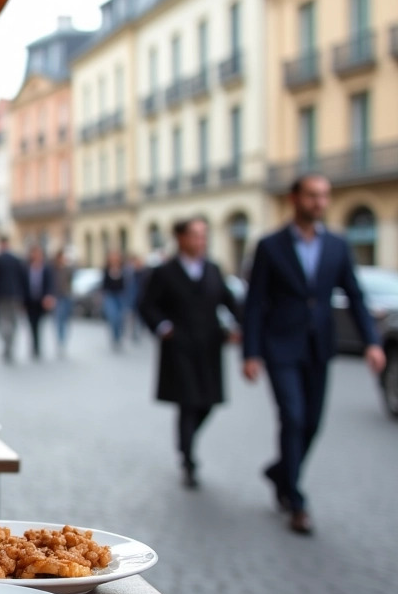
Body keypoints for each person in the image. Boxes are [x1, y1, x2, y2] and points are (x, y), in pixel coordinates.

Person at [242, 174, 386, 535]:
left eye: (324, 196)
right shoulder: (270, 246)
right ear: (295, 198)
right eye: (312, 195)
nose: (320, 202)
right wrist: (251, 352)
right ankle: (295, 500)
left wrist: (371, 341)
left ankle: (279, 472)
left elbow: (354, 295)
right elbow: (255, 303)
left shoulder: (337, 245)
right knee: (292, 417)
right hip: (280, 346)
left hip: (320, 347)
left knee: (312, 424)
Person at [137, 217, 241, 488]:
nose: (200, 241)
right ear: (181, 238)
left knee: (207, 402)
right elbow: (147, 305)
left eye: (204, 236)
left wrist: (240, 327)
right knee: (188, 402)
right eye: (195, 235)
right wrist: (163, 327)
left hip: (209, 346)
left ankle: (187, 442)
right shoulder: (165, 271)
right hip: (179, 347)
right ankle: (188, 458)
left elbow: (229, 302)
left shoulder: (213, 269)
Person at [0, 237, 25, 362]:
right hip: (15, 295)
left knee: (2, 322)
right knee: (13, 322)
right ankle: (10, 344)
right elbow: (23, 277)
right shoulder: (16, 259)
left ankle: (7, 344)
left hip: (2, 295)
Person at [22, 245, 55, 360]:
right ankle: (34, 346)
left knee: (39, 324)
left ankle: (38, 346)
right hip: (30, 301)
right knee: (31, 324)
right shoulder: (26, 268)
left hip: (42, 301)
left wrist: (49, 296)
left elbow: (50, 284)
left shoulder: (46, 268)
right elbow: (23, 285)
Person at [101, 249, 129, 350]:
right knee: (113, 317)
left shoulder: (124, 269)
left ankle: (119, 336)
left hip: (120, 296)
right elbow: (103, 285)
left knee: (120, 318)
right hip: (110, 296)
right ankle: (114, 337)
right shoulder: (106, 269)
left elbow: (127, 284)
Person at [52, 248, 74, 356]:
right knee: (59, 319)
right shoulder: (53, 269)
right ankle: (60, 340)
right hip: (57, 297)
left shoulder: (68, 268)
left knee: (65, 320)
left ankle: (63, 339)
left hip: (66, 296)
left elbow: (72, 279)